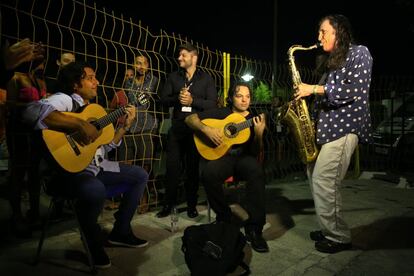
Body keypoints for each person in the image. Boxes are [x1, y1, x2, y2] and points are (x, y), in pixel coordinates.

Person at [23, 61, 149, 268]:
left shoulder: (95, 111)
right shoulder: (65, 101)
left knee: (139, 175)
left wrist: (124, 127)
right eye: (90, 78)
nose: (97, 82)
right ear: (75, 84)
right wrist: (79, 124)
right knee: (95, 189)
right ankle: (92, 241)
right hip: (65, 175)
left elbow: (99, 148)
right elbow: (30, 111)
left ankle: (121, 231)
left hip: (93, 169)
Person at [294, 14, 373, 253]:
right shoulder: (333, 62)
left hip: (344, 128)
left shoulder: (360, 52)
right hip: (327, 130)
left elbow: (354, 90)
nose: (319, 37)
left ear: (339, 31)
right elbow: (325, 97)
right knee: (315, 176)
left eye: (323, 32)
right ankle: (329, 227)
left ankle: (338, 235)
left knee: (325, 180)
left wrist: (314, 89)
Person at [184, 81, 269, 253]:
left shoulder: (253, 119)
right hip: (224, 158)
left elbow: (254, 150)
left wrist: (259, 133)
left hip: (244, 158)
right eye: (239, 96)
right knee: (208, 173)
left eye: (247, 96)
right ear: (231, 98)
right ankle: (224, 218)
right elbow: (189, 118)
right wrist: (206, 129)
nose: (244, 100)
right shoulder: (221, 113)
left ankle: (254, 229)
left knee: (256, 171)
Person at [157, 42, 217, 218]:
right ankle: (169, 204)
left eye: (183, 55)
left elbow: (212, 104)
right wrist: (178, 98)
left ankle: (191, 205)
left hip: (196, 131)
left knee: (192, 169)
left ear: (194, 57)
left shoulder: (206, 79)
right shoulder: (173, 77)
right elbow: (163, 100)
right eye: (179, 55)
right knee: (172, 169)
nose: (179, 58)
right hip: (177, 129)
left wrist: (193, 101)